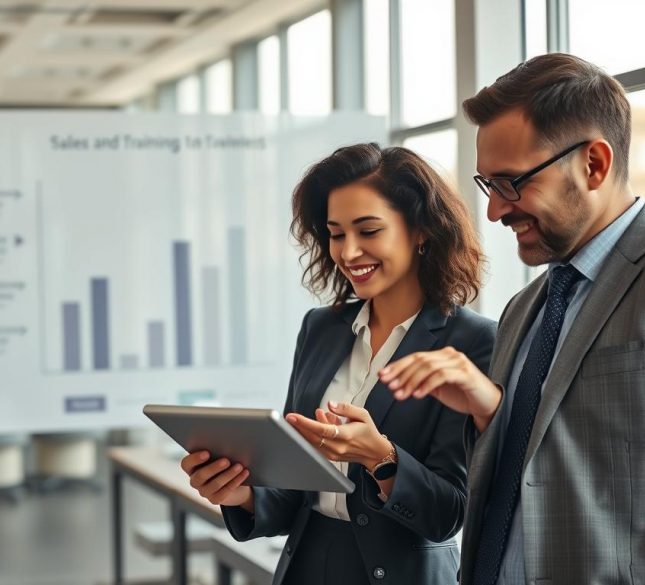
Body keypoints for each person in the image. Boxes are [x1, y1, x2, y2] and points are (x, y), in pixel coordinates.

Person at [380, 53, 645, 585]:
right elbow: (538, 472)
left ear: (594, 165)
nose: (494, 211)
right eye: (488, 185)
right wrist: (489, 418)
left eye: (512, 183)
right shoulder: (524, 309)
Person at [180, 144, 497, 584]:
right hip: (308, 566)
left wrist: (381, 458)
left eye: (368, 231)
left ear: (421, 230)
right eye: (335, 233)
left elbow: (449, 514)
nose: (348, 253)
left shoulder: (472, 342)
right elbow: (295, 491)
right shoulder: (320, 329)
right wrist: (241, 494)